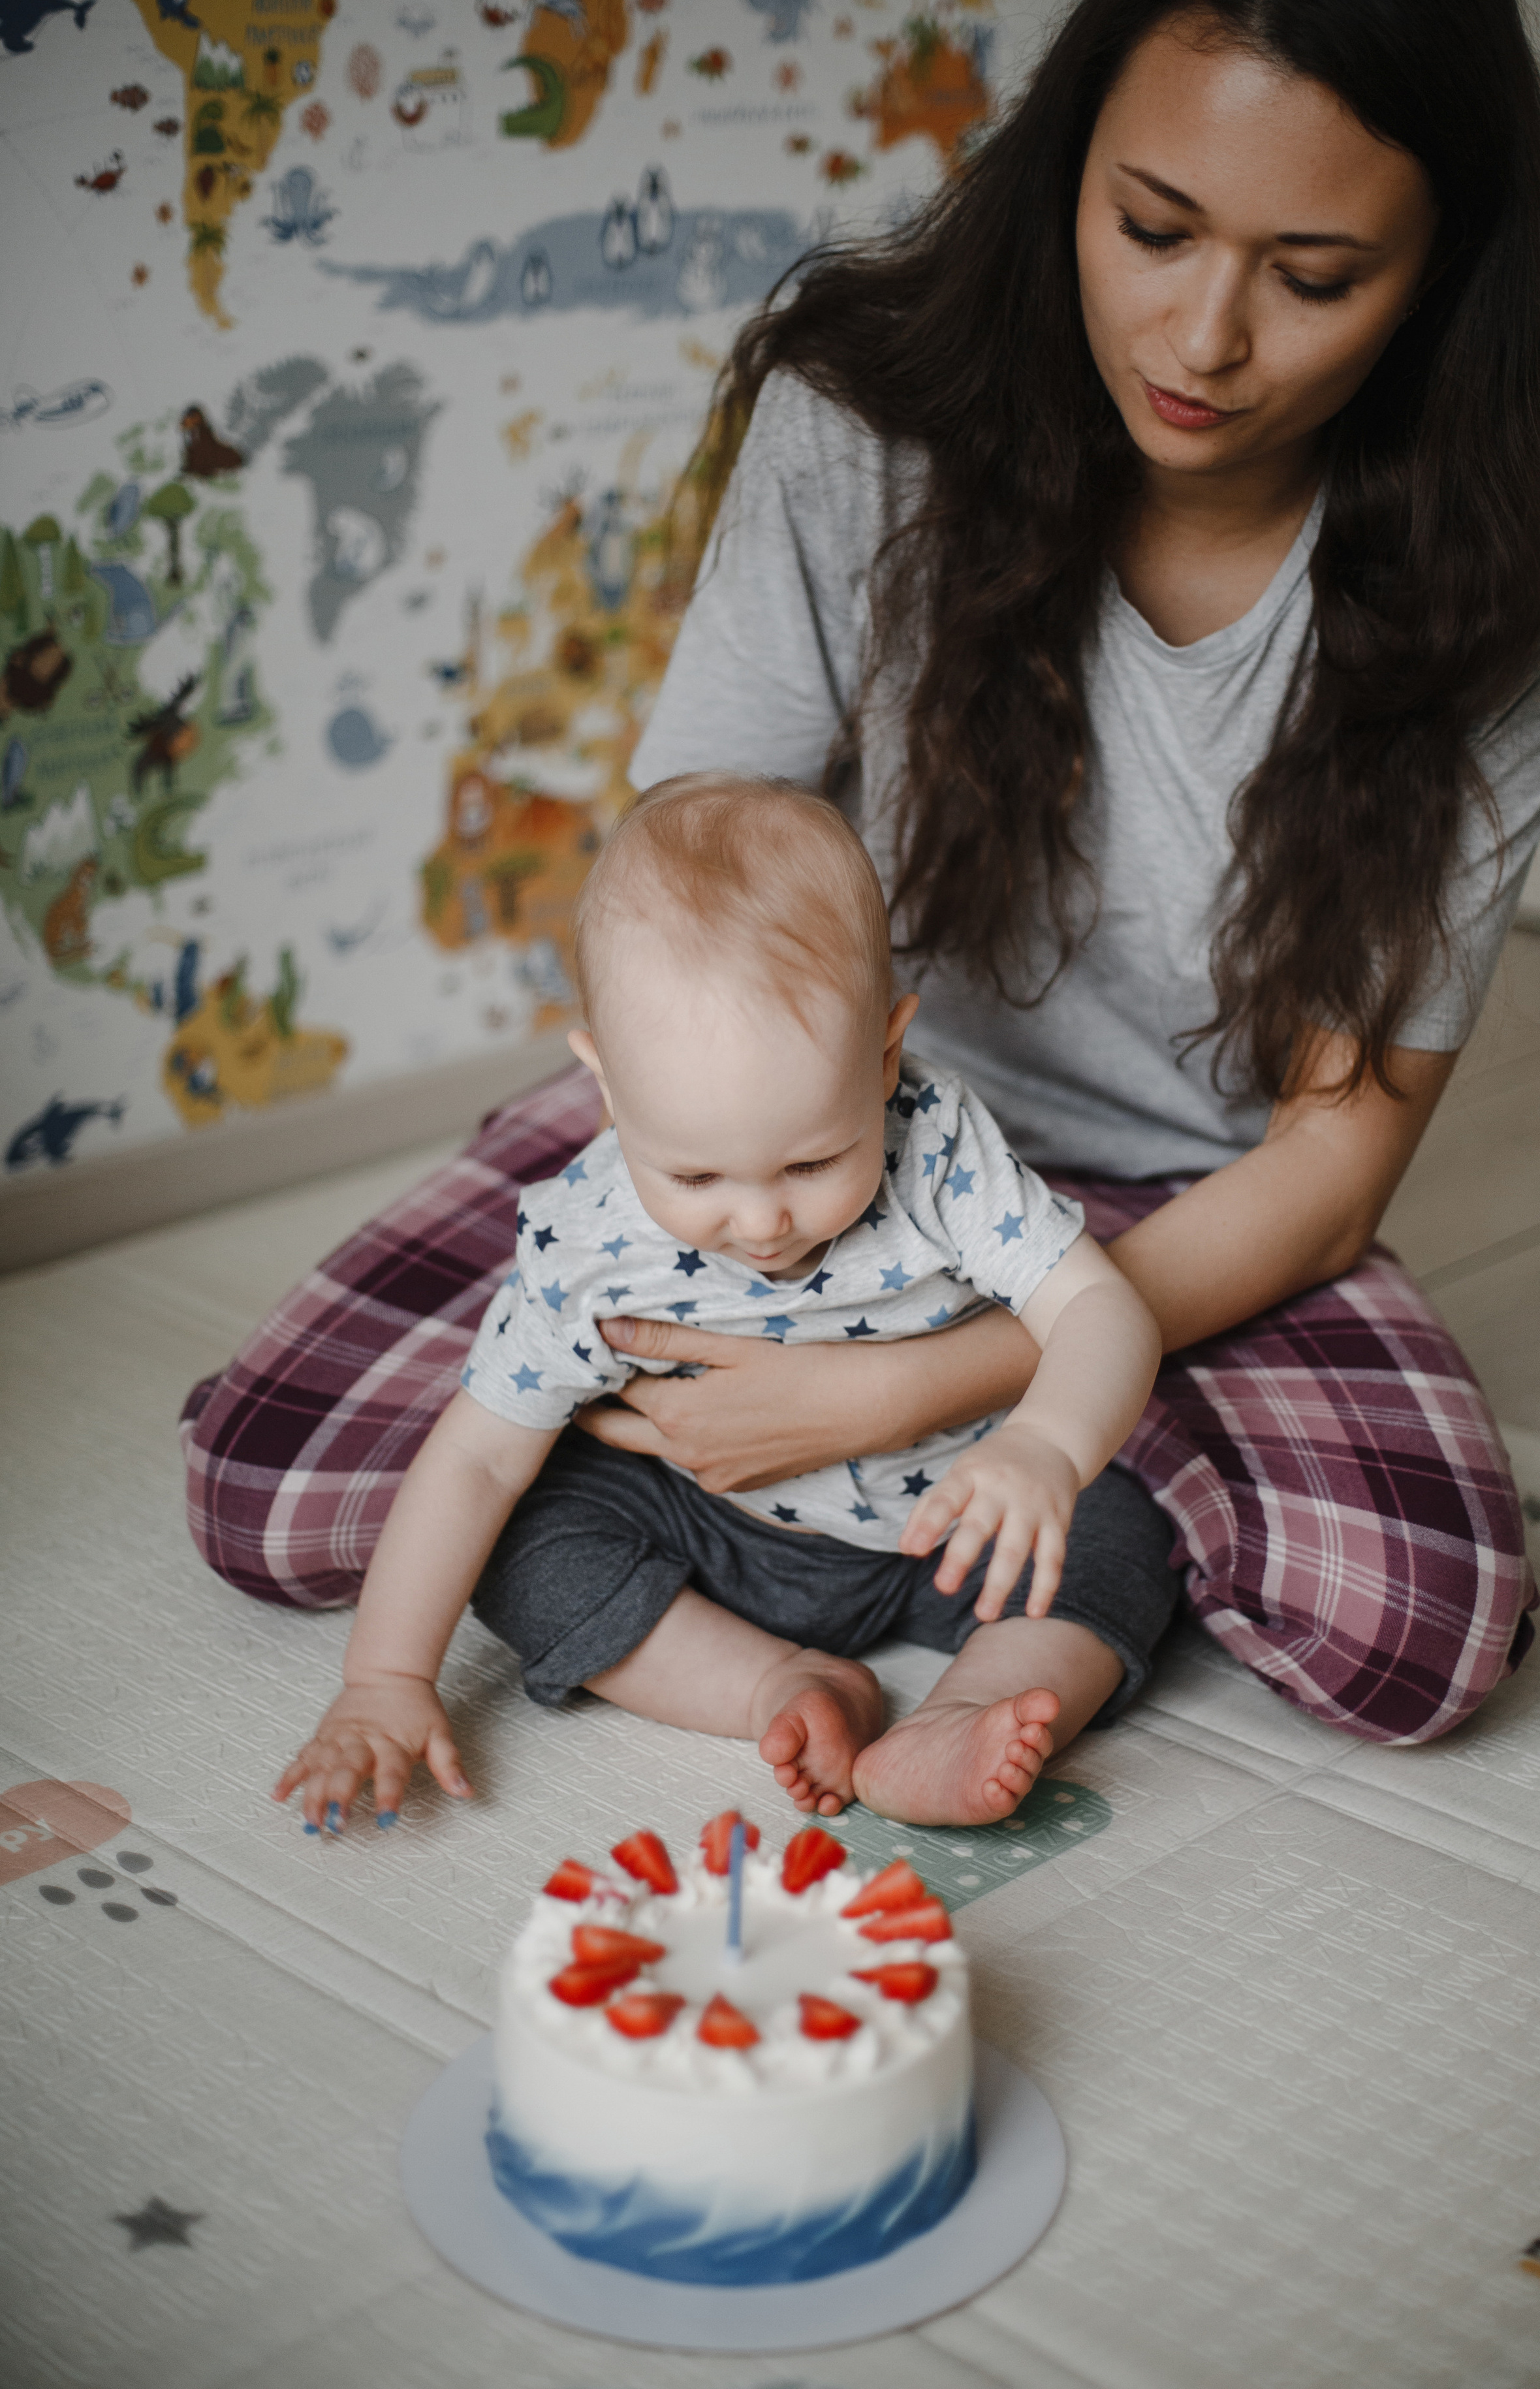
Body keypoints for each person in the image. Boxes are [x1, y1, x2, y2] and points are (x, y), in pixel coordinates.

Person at [184, 0, 1540, 1767]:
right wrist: (731, 1212)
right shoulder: (867, 424)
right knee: (270, 1489)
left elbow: (1333, 1163)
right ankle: (905, 1579)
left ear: (1442, 276)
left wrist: (919, 1385)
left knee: (1414, 1638)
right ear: (1066, 171)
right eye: (1151, 228)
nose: (1206, 333)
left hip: (1190, 1208)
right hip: (797, 1115)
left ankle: (1030, 1537)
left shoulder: (1493, 615)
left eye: (1315, 274)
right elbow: (703, 877)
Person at [274, 776, 1169, 1832]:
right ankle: (777, 1686)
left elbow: (1102, 1310)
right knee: (524, 1551)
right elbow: (475, 1457)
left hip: (954, 1515)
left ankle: (971, 1706)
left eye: (811, 1161)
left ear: (886, 1056)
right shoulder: (590, 1238)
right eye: (696, 1179)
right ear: (606, 1088)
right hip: (714, 1529)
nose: (760, 1223)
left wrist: (1048, 1449)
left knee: (1123, 1533)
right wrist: (385, 1677)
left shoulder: (934, 1145)